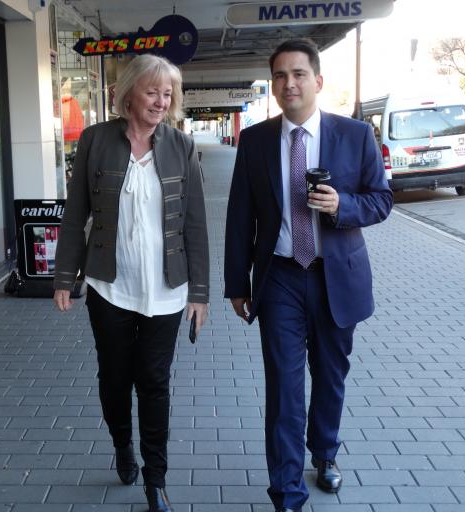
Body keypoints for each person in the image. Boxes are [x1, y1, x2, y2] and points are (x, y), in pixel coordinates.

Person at [224, 38, 393, 512]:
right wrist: (236, 284)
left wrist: (343, 206)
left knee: (331, 374)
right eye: (279, 75)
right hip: (279, 277)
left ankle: (325, 451)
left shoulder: (354, 135)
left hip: (336, 276)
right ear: (273, 85)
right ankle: (287, 493)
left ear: (318, 81)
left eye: (298, 74)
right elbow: (241, 216)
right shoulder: (255, 140)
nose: (289, 83)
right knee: (283, 385)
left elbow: (381, 200)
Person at [53, 54, 209, 512]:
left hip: (167, 290)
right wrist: (65, 277)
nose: (161, 101)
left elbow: (195, 223)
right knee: (115, 378)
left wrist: (199, 293)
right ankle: (123, 444)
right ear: (129, 94)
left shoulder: (181, 145)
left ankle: (155, 479)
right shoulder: (95, 140)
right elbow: (75, 212)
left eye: (168, 94)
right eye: (152, 92)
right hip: (110, 286)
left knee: (154, 381)